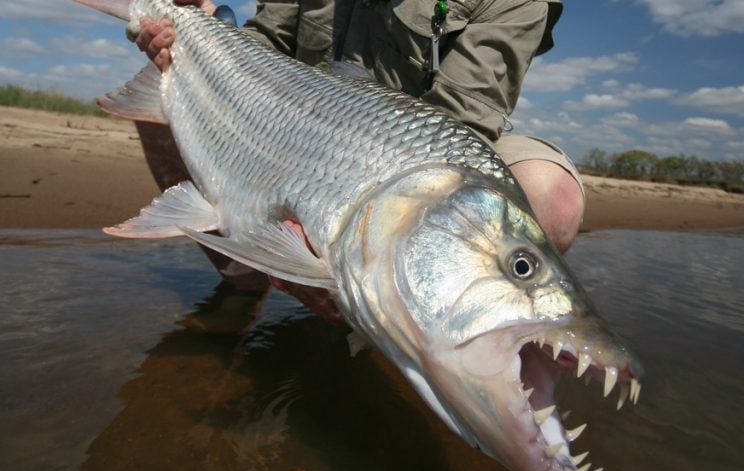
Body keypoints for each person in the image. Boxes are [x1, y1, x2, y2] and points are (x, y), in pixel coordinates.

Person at [134, 0, 584, 320]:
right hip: (298, 123)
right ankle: (243, 277)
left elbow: (461, 127)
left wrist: (333, 220)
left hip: (423, 152)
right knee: (174, 88)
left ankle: (429, 328)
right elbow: (263, 46)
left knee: (549, 194)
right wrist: (193, 35)